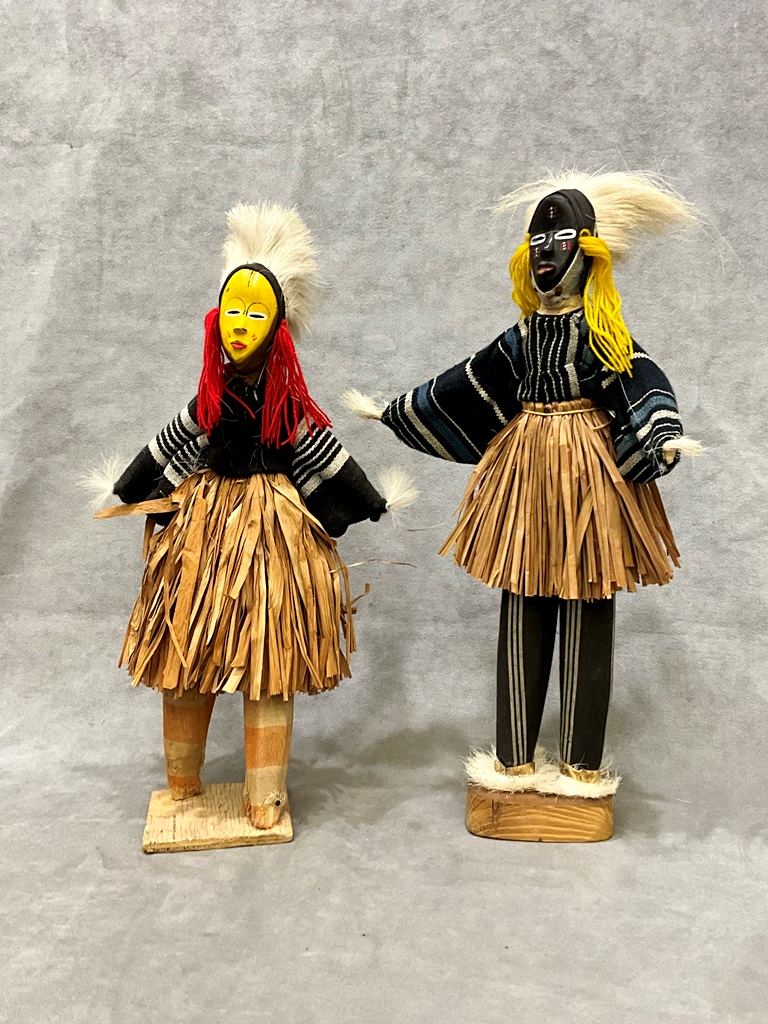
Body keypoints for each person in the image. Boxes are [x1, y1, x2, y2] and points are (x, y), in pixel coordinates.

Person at [344, 171, 700, 800]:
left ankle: (582, 768)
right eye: (537, 240)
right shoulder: (522, 339)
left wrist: (659, 431)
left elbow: (639, 377)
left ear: (588, 252)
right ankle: (512, 761)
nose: (546, 252)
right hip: (526, 479)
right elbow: (469, 382)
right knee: (524, 590)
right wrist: (400, 411)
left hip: (592, 481)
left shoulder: (601, 335)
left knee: (589, 592)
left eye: (560, 239)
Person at [96, 203, 414, 829]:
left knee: (269, 660)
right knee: (187, 645)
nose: (241, 325)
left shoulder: (285, 403)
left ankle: (263, 795)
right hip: (205, 528)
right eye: (233, 311)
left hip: (272, 533)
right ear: (216, 318)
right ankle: (182, 782)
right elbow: (173, 440)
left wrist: (367, 499)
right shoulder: (210, 398)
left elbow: (320, 451)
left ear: (279, 327)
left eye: (256, 313)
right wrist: (129, 487)